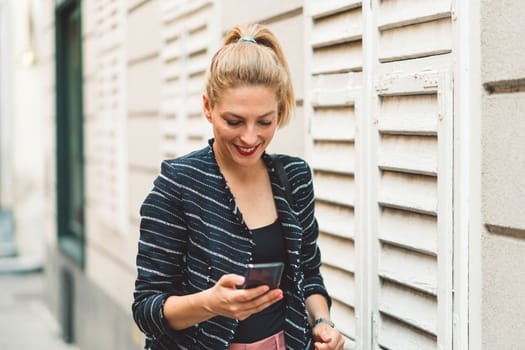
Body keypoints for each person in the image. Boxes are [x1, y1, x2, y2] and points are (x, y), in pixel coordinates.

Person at [132, 23, 345, 350]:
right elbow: (146, 309)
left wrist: (322, 323)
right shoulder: (177, 184)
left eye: (265, 121)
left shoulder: (294, 177)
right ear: (207, 107)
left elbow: (308, 275)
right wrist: (211, 304)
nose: (249, 137)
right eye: (234, 121)